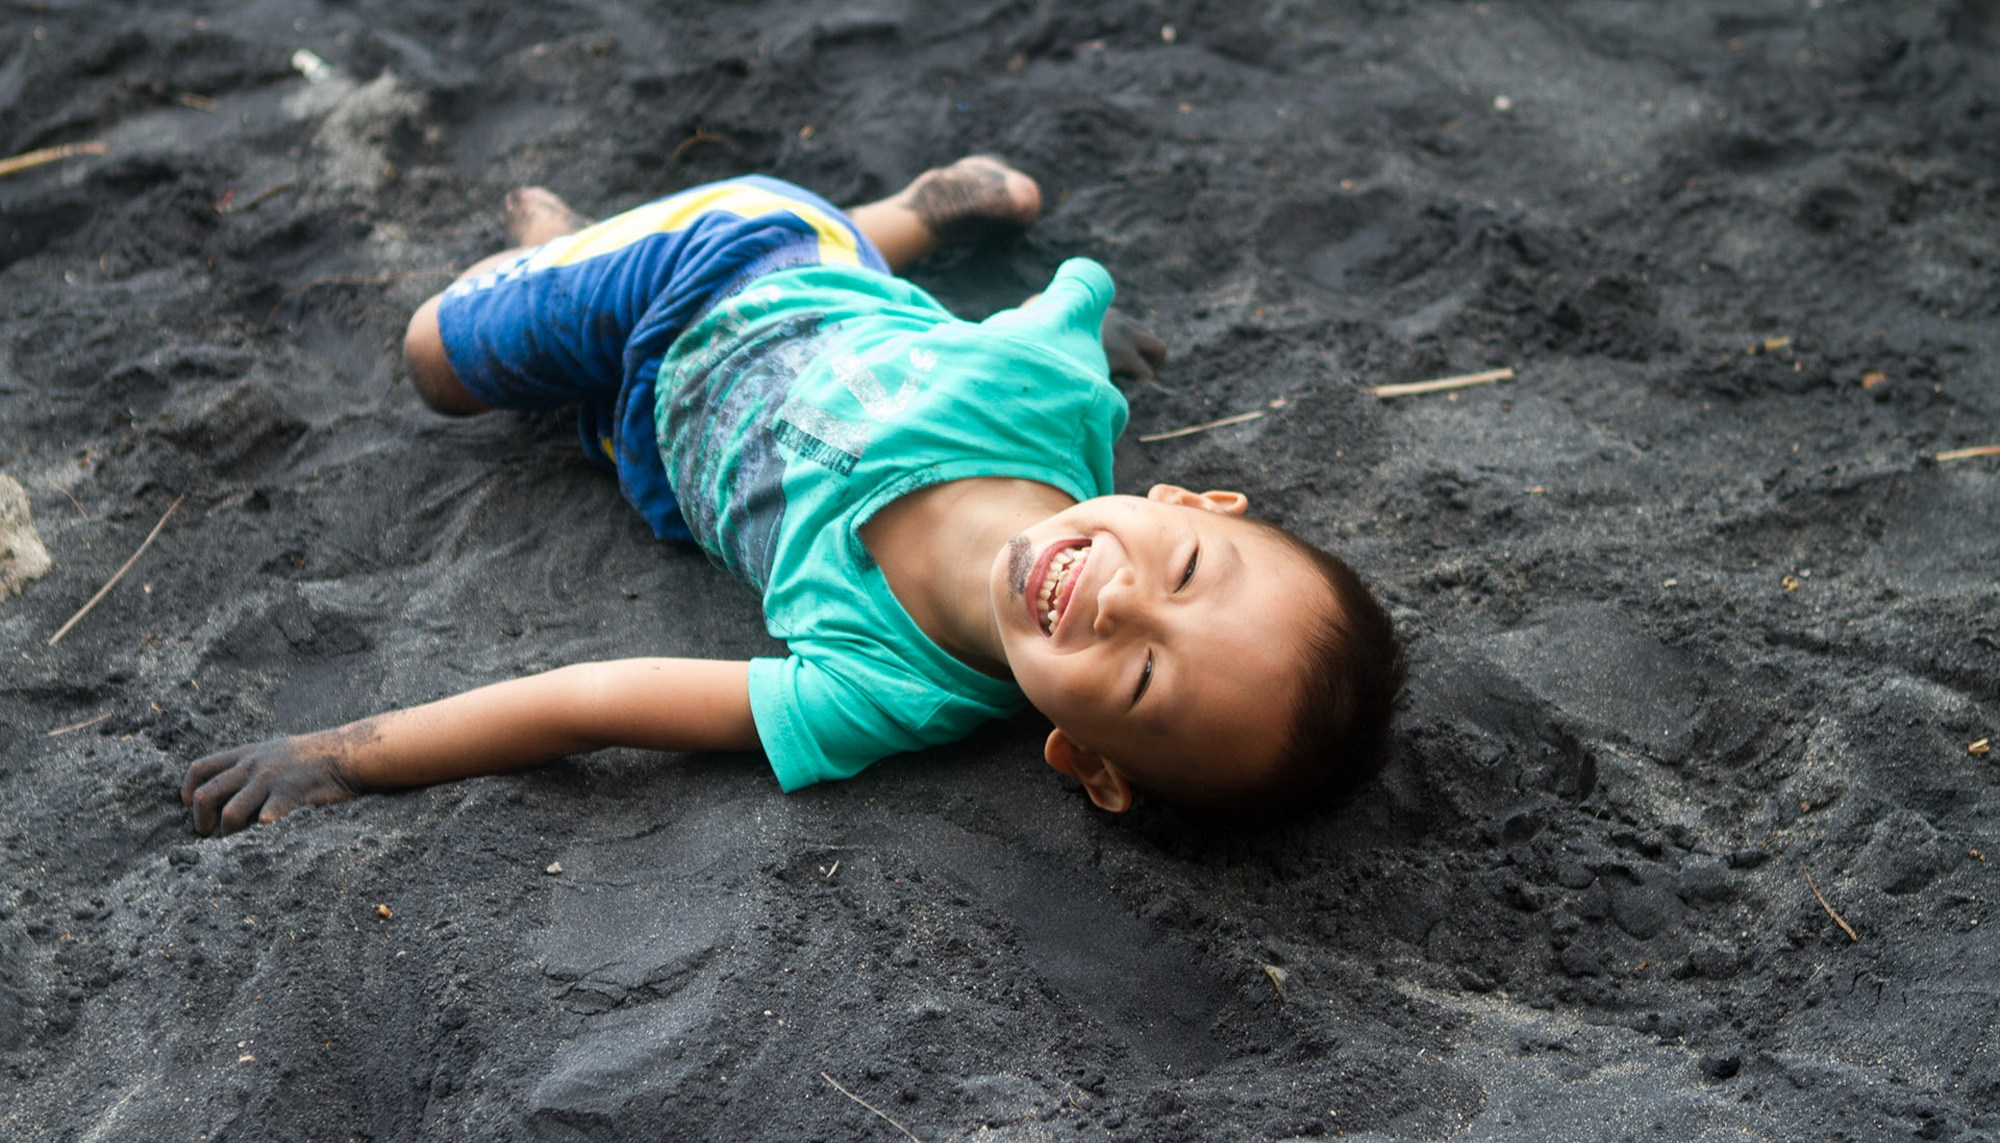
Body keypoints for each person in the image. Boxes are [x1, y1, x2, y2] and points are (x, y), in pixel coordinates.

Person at [183, 157, 1404, 835]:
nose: (1118, 602)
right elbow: (1074, 303)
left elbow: (601, 700)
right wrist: (1089, 334)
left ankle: (571, 248)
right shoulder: (1040, 383)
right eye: (1183, 570)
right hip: (734, 258)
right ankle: (900, 218)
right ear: (1193, 504)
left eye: (1142, 675)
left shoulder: (885, 688)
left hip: (647, 436)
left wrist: (346, 756)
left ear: (1083, 759)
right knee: (435, 362)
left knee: (565, 390)